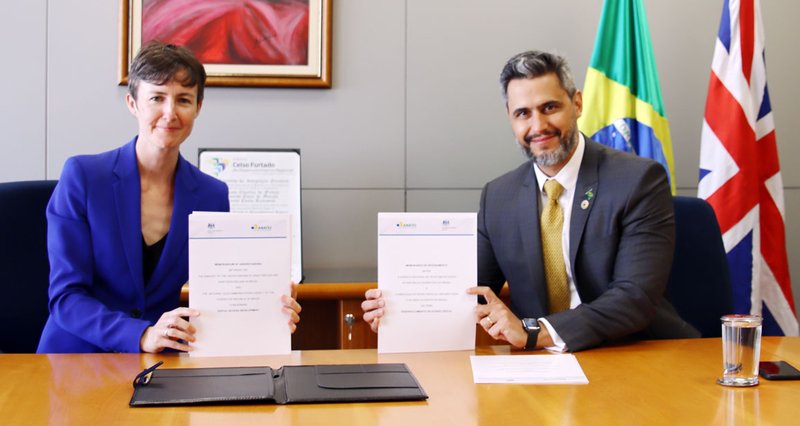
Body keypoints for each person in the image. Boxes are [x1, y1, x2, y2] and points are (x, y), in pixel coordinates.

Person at [362, 50, 699, 352]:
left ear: (577, 103)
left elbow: (634, 298)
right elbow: (469, 292)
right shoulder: (499, 196)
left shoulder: (638, 180)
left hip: (639, 355)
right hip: (543, 367)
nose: (538, 126)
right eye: (523, 113)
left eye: (549, 107)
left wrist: (537, 332)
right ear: (510, 118)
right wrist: (402, 312)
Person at [37, 42, 301, 353]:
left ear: (198, 108)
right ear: (133, 104)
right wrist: (140, 334)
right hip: (77, 358)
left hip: (163, 362)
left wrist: (268, 304)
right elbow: (66, 297)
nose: (170, 113)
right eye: (157, 98)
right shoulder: (83, 177)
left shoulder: (213, 195)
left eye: (184, 100)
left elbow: (219, 289)